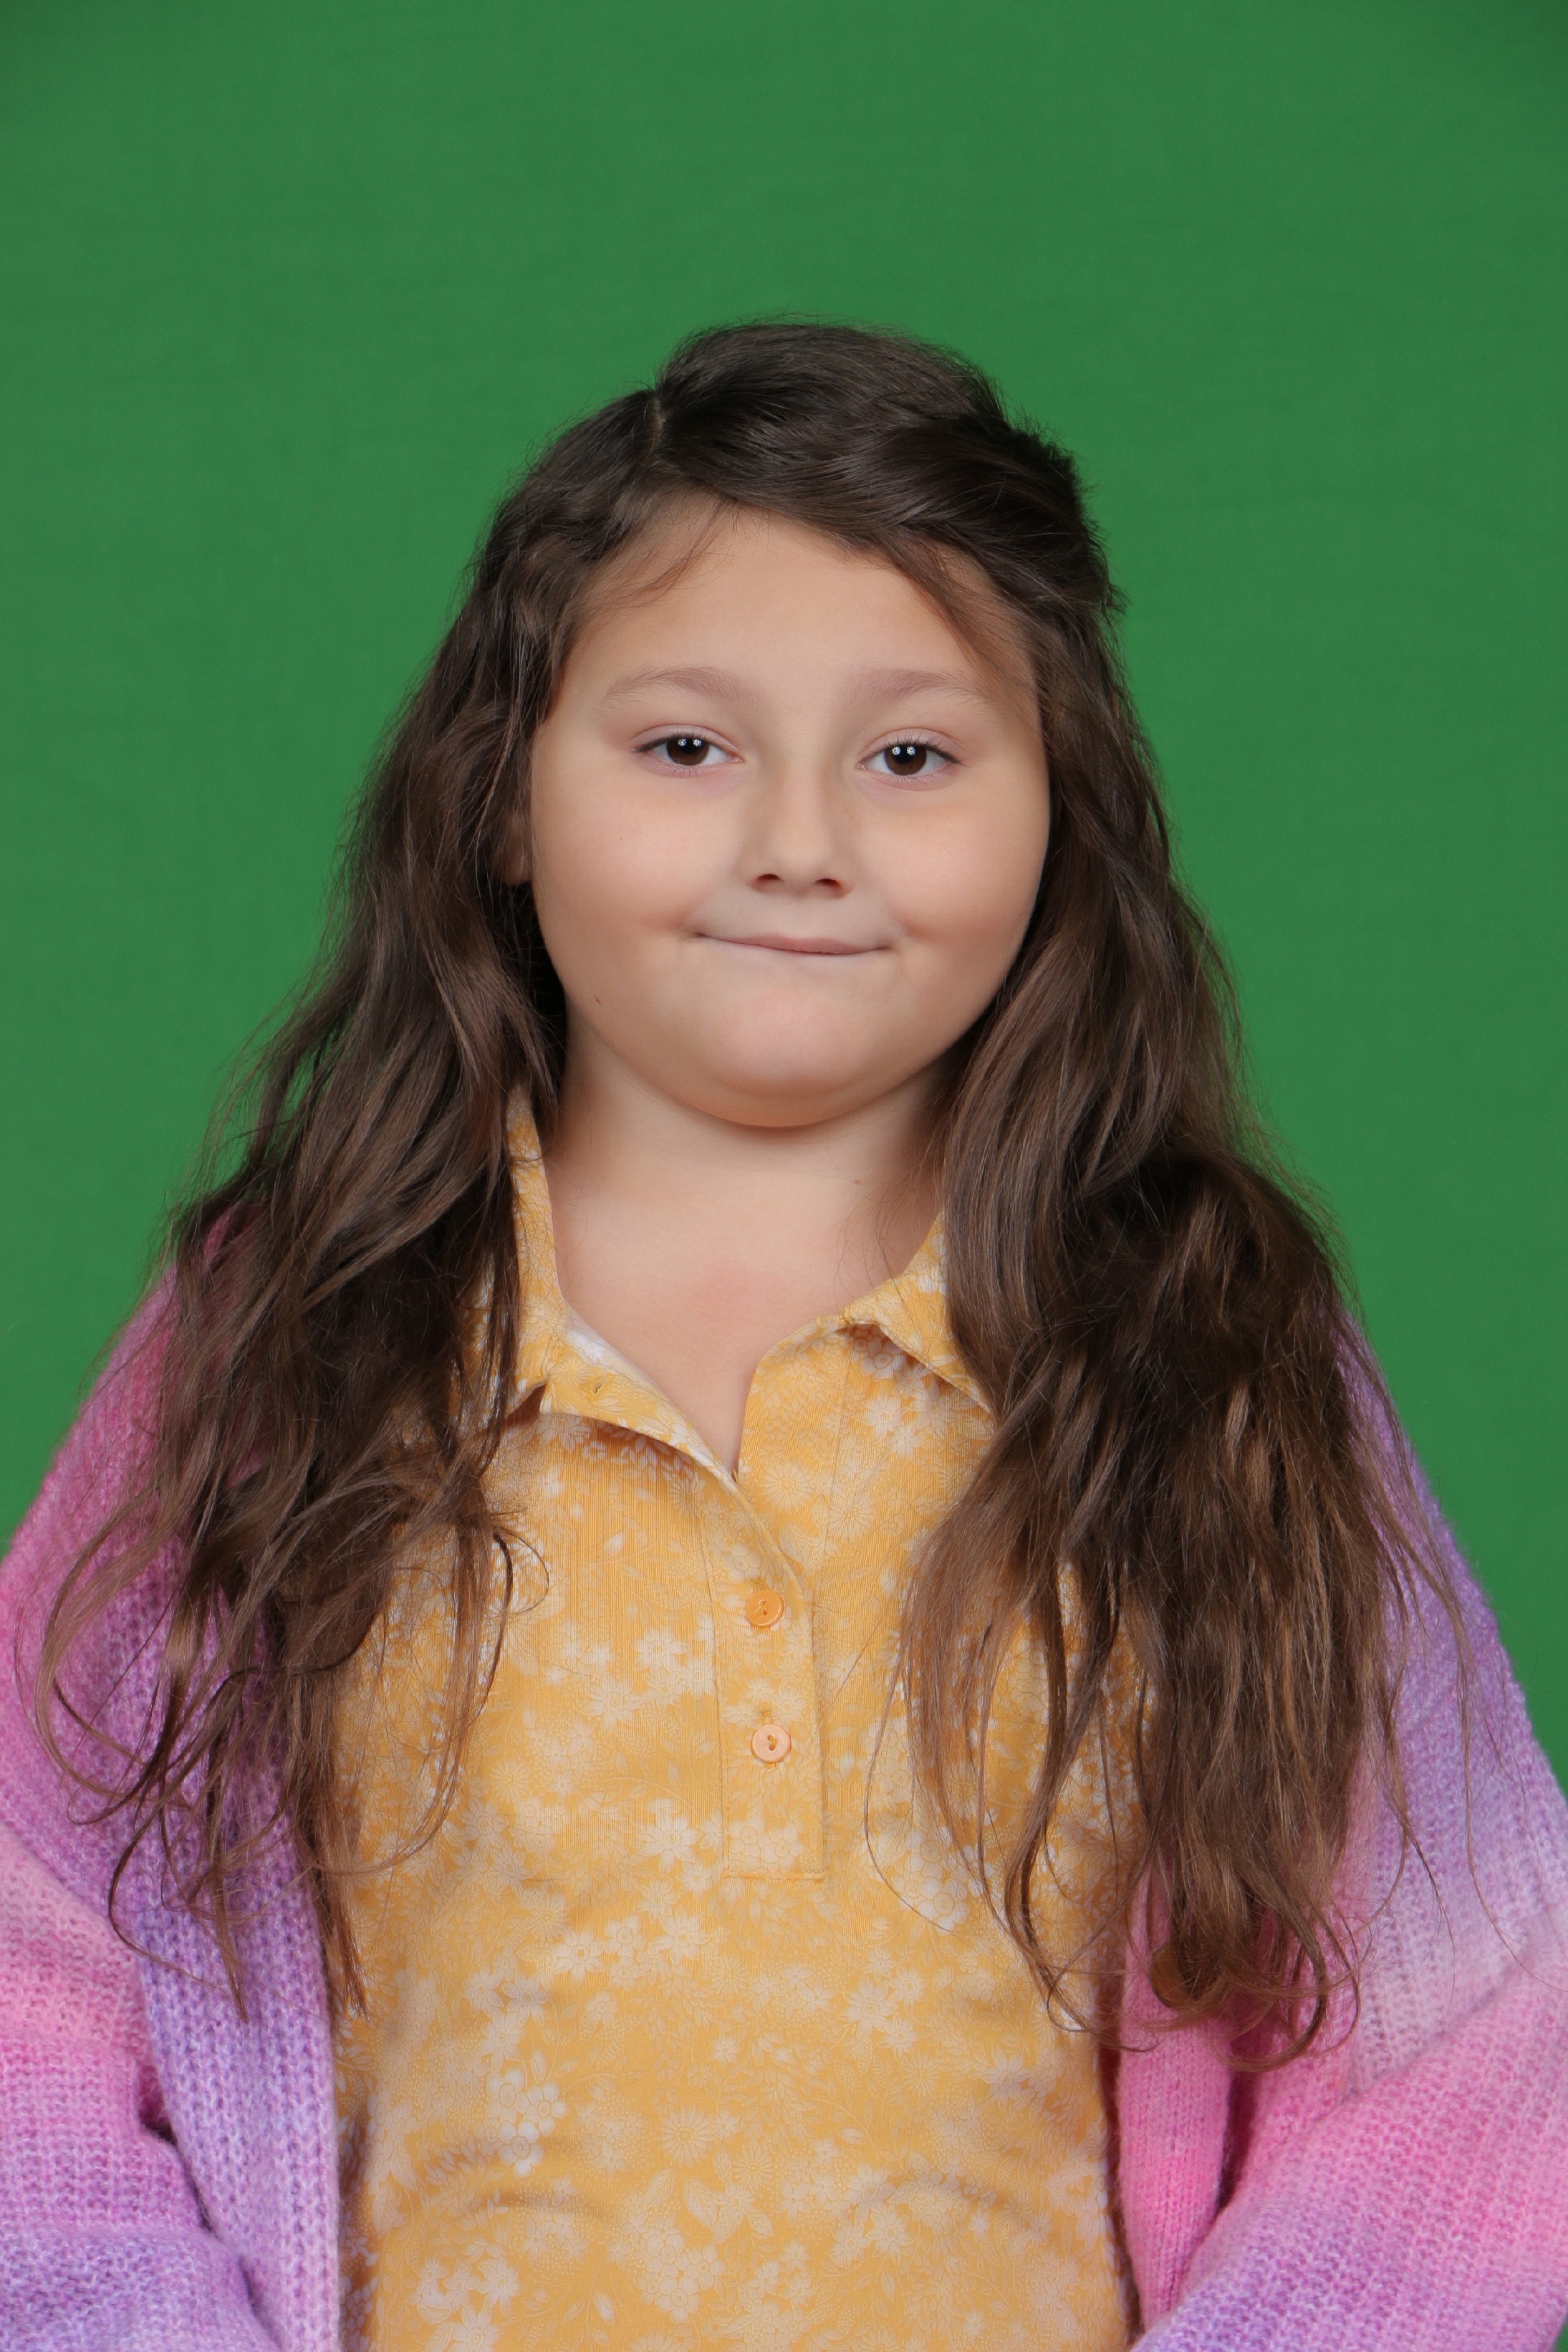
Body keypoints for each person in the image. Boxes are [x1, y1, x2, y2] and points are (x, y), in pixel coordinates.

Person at [1, 323, 1564, 2352]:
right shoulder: (286, 1330)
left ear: (1059, 812)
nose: (801, 839)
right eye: (686, 748)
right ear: (502, 795)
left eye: (911, 756)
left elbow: (1470, 2019)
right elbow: (32, 1947)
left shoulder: (1208, 1352)